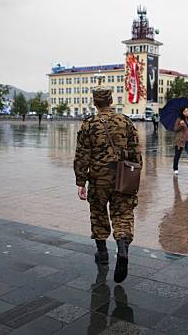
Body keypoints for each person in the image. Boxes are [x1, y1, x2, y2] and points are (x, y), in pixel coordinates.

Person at [74, 85, 143, 283]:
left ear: (95, 102)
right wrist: (135, 176)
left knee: (98, 213)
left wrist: (81, 181)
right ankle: (122, 248)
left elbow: (82, 155)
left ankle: (102, 254)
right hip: (122, 176)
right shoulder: (125, 121)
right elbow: (135, 152)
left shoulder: (89, 124)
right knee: (122, 214)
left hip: (98, 178)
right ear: (111, 100)